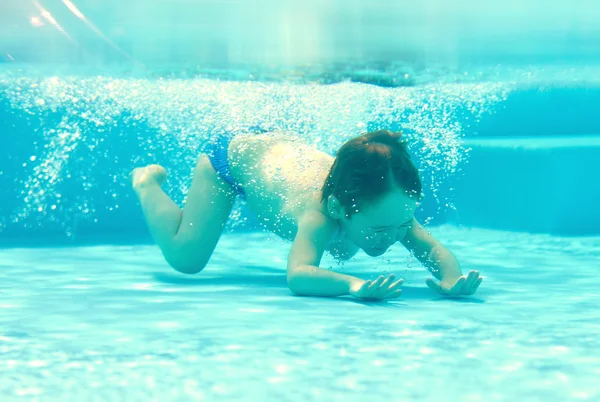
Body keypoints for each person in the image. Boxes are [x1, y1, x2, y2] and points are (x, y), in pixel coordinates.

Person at [132, 130, 482, 300]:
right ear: (337, 208)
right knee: (186, 259)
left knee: (345, 246)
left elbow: (433, 249)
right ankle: (147, 184)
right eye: (380, 230)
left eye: (401, 225)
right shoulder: (319, 215)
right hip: (232, 161)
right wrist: (353, 284)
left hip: (274, 152)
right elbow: (298, 275)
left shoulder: (387, 211)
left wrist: (451, 278)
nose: (394, 237)